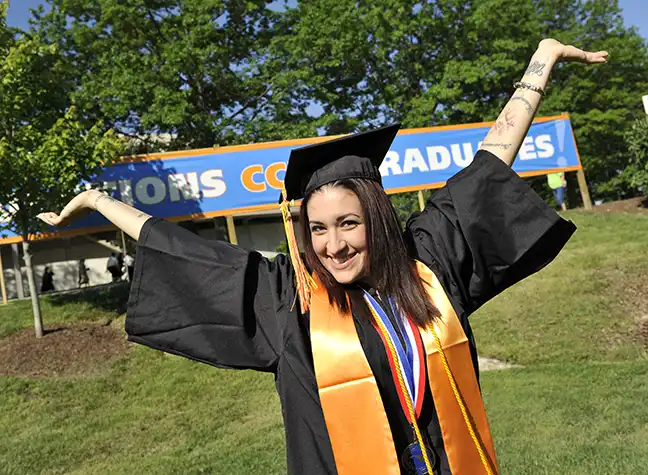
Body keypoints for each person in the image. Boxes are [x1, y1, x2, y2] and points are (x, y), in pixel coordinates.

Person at [38, 39, 607, 475]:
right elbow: (187, 253)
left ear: (377, 221)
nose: (333, 245)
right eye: (317, 230)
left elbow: (488, 168)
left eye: (349, 224)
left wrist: (541, 64)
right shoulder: (288, 299)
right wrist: (98, 200)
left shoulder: (425, 260)